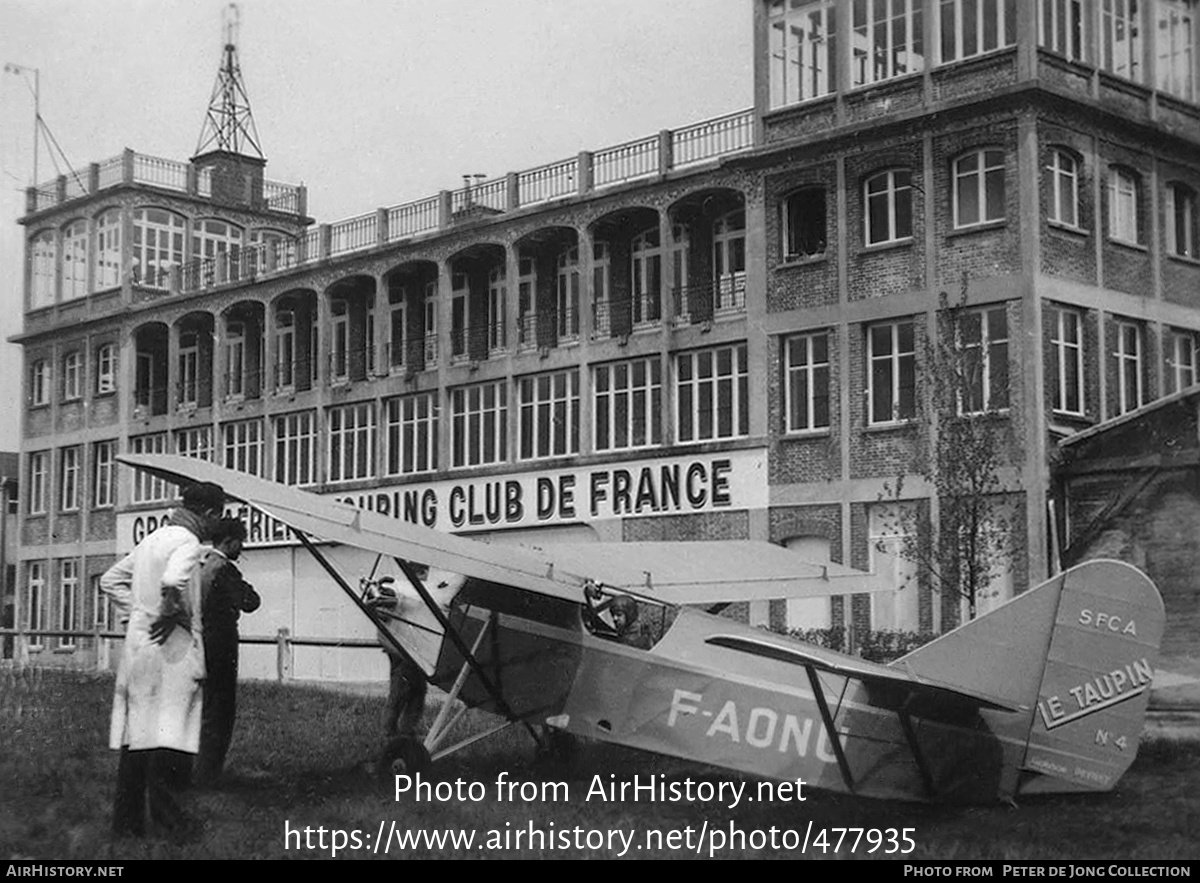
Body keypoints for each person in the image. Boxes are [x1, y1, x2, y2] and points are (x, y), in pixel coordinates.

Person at [102, 480, 225, 839]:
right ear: (210, 513)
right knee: (172, 738)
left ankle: (126, 826)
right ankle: (172, 827)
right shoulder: (188, 542)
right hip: (173, 652)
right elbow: (174, 578)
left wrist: (141, 613)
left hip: (140, 649)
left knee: (137, 739)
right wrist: (169, 608)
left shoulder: (149, 541)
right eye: (218, 516)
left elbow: (110, 581)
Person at [193, 517, 260, 787]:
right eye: (240, 542)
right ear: (229, 541)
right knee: (221, 709)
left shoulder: (202, 566)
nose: (241, 548)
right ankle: (209, 774)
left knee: (205, 706)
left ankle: (198, 769)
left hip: (202, 641)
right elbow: (250, 602)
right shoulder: (226, 570)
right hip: (222, 645)